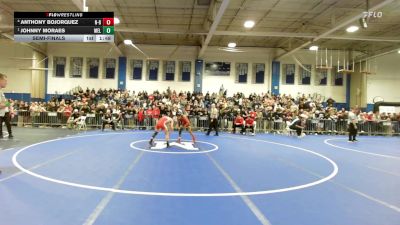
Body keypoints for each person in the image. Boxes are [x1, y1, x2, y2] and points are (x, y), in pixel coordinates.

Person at [0, 73, 13, 139]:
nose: (6, 82)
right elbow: (0, 105)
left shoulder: (1, 91)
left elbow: (3, 103)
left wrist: (7, 103)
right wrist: (8, 103)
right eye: (5, 80)